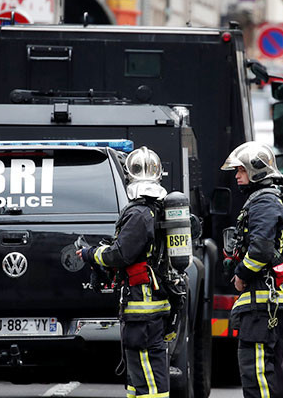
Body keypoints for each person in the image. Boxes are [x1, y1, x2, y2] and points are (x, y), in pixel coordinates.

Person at [78, 146, 171, 398]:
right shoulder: (157, 209)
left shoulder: (139, 213)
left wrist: (91, 254)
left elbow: (121, 255)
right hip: (152, 301)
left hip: (142, 306)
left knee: (145, 369)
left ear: (129, 176)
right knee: (141, 370)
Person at [220, 141, 283, 398]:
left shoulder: (264, 201)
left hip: (263, 304)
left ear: (255, 171)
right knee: (268, 372)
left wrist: (241, 274)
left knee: (257, 372)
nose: (237, 176)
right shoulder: (268, 199)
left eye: (240, 171)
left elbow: (261, 249)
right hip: (267, 303)